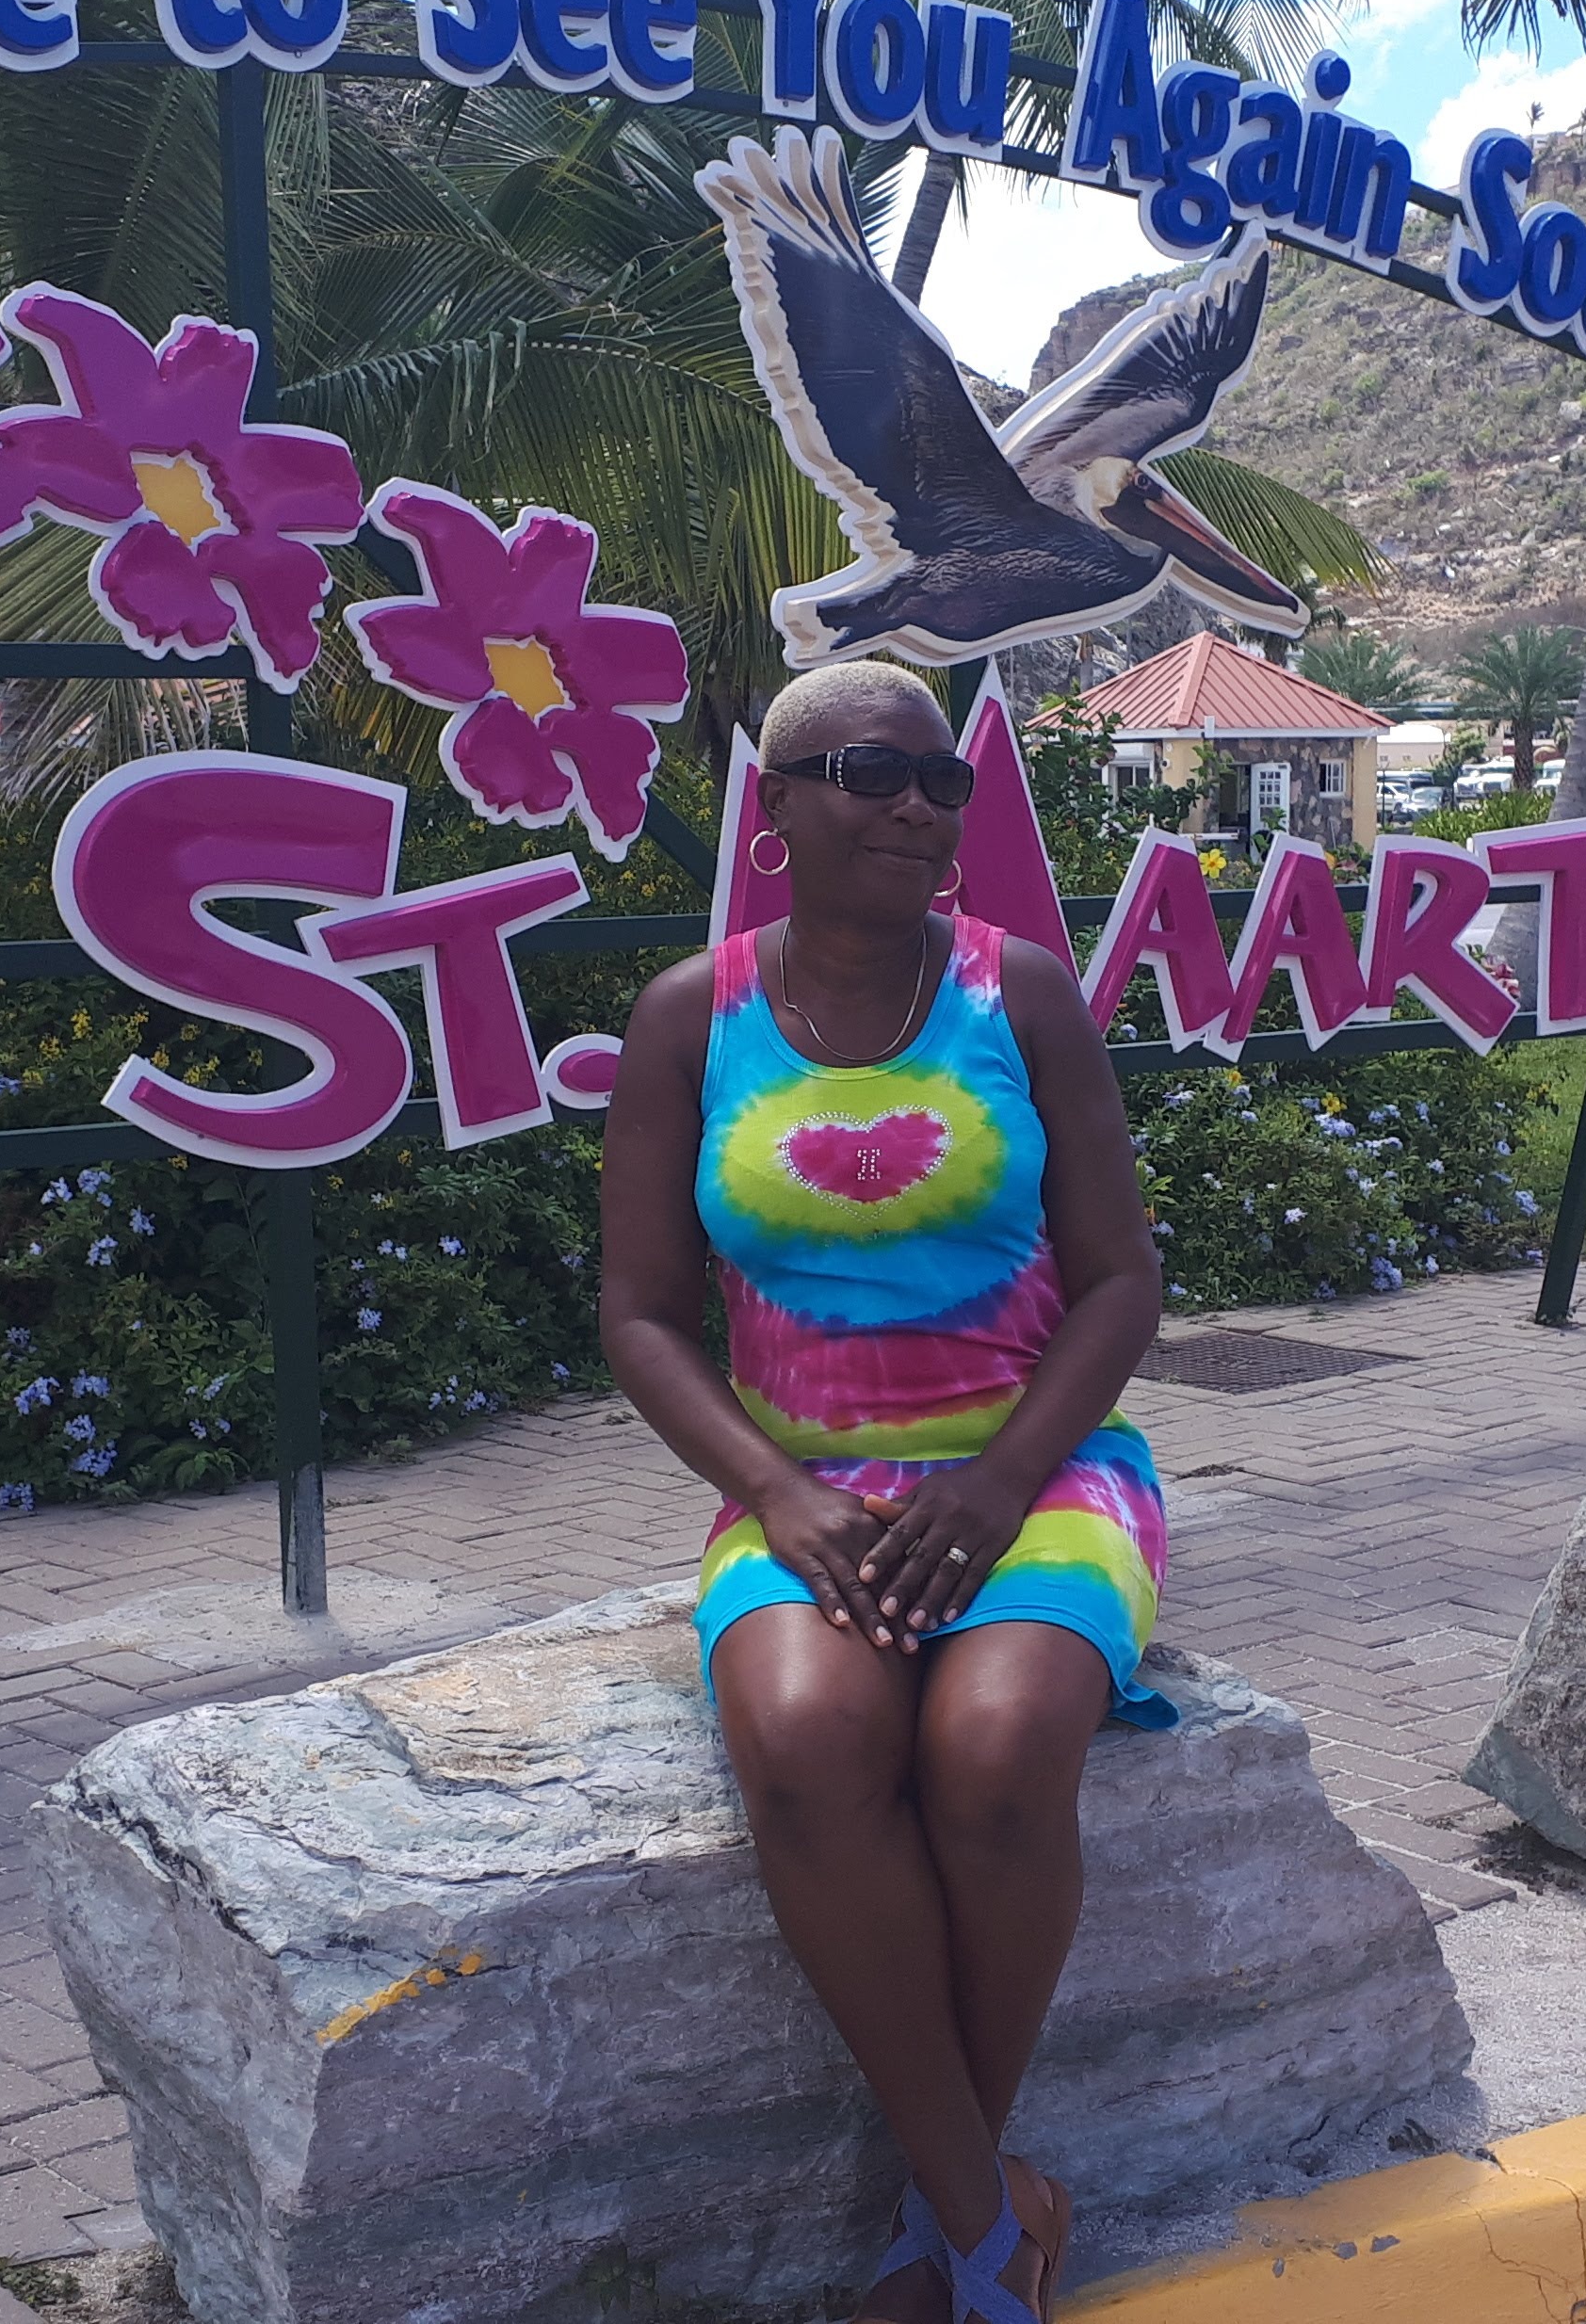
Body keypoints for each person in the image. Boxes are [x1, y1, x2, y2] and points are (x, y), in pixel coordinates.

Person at [600, 659, 1169, 2324]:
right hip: (804, 1485)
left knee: (998, 1747)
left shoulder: (1022, 995)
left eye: (942, 782)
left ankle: (955, 2235)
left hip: (1036, 1467)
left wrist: (999, 1483)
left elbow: (1123, 1281)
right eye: (870, 774)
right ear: (777, 808)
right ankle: (992, 2208)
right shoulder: (688, 1018)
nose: (915, 807)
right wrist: (771, 1491)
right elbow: (641, 1316)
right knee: (808, 1742)